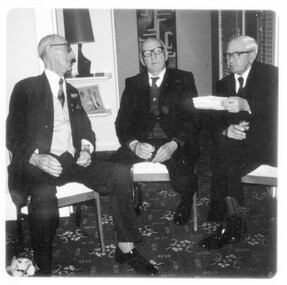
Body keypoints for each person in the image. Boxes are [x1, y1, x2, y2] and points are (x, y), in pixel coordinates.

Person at [6, 34, 158, 276]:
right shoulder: (26, 88)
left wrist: (86, 149)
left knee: (119, 173)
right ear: (49, 52)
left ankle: (126, 248)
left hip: (73, 161)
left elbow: (86, 130)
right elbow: (12, 136)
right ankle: (43, 268)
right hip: (41, 166)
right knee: (44, 203)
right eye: (66, 49)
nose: (73, 55)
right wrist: (37, 158)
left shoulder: (73, 92)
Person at [109, 37, 200, 226]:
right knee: (110, 170)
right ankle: (131, 196)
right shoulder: (133, 83)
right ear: (142, 60)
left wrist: (174, 144)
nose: (153, 57)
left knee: (185, 180)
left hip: (174, 142)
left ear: (166, 54)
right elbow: (122, 122)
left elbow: (193, 119)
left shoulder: (184, 79)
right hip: (143, 141)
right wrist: (134, 145)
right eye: (147, 53)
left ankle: (185, 202)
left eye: (157, 51)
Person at [198, 35, 278, 249]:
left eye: (236, 54)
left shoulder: (272, 75)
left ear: (252, 55)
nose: (230, 60)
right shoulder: (223, 83)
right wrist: (226, 130)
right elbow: (214, 121)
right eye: (228, 55)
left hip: (268, 143)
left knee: (224, 157)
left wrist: (248, 104)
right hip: (236, 146)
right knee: (223, 149)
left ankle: (231, 223)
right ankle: (233, 222)